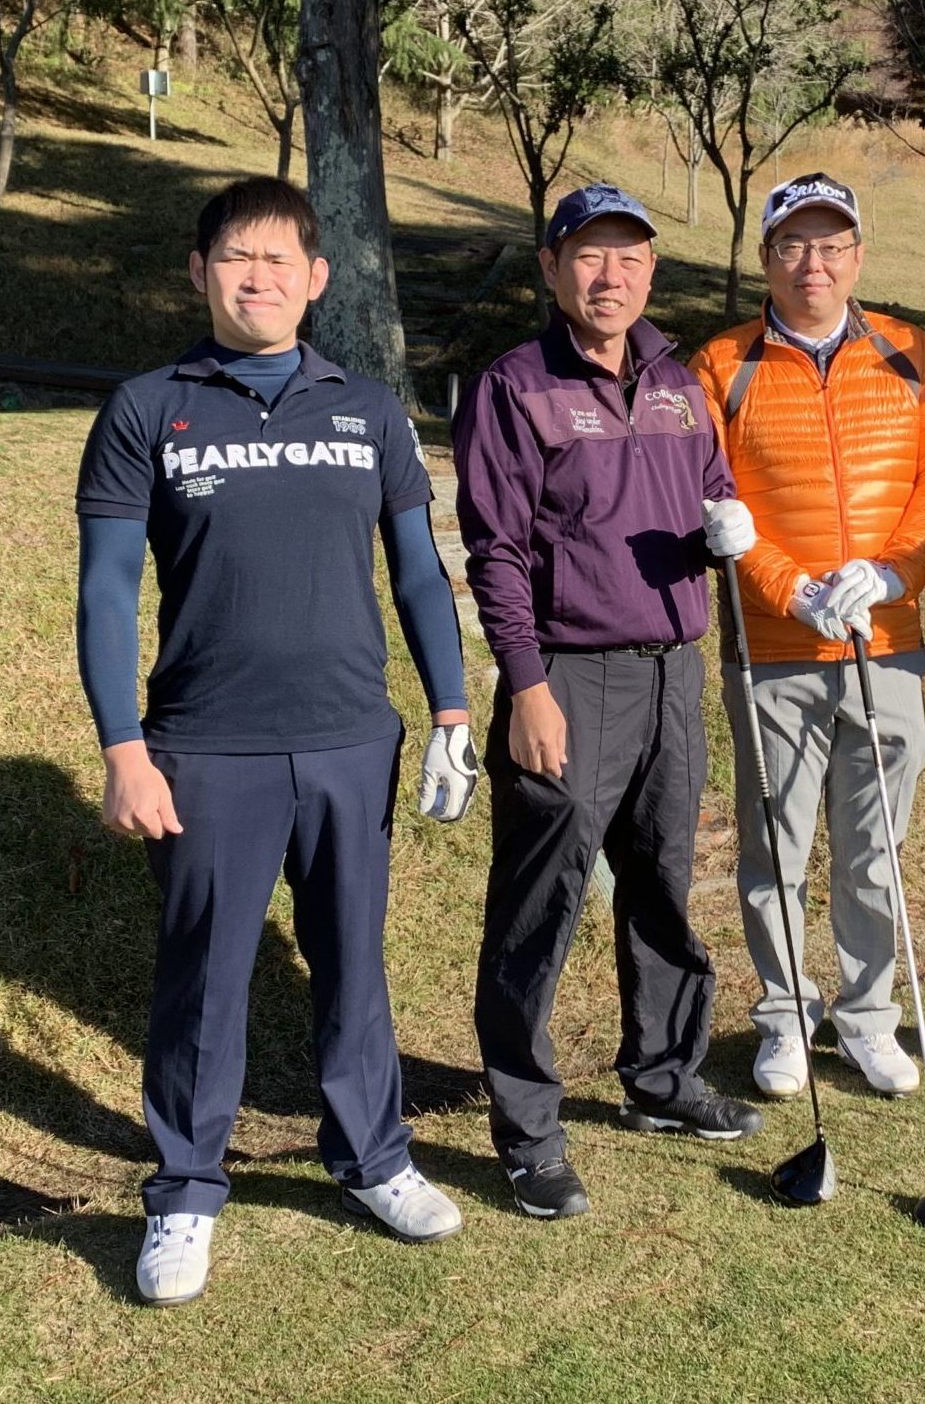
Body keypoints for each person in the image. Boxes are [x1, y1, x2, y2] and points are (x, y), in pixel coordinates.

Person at [75, 177, 479, 1306]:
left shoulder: (370, 410)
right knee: (204, 979)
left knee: (352, 961)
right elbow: (106, 592)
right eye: (234, 257)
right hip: (207, 747)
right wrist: (123, 747)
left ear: (317, 278)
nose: (256, 277)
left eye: (278, 259)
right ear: (198, 271)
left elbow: (417, 571)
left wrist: (451, 711)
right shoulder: (147, 408)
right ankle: (186, 1192)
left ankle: (374, 1158)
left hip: (351, 739)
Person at [454, 182, 763, 1221]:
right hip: (571, 674)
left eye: (629, 257)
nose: (610, 275)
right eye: (588, 255)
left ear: (650, 271)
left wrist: (728, 523)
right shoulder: (515, 385)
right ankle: (527, 1130)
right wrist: (526, 684)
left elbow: (712, 486)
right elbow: (497, 550)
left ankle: (663, 1076)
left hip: (675, 668)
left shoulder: (677, 380)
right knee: (540, 902)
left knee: (662, 880)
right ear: (551, 268)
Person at [689, 173, 925, 1100]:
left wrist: (893, 574)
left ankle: (867, 1018)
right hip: (773, 650)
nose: (813, 262)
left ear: (857, 255)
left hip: (884, 644)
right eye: (793, 245)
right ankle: (782, 1018)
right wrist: (788, 588)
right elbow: (713, 503)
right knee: (774, 848)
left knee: (873, 850)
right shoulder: (721, 363)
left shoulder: (906, 349)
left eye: (831, 244)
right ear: (766, 258)